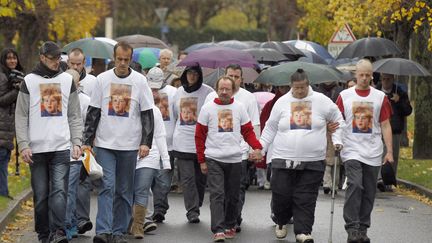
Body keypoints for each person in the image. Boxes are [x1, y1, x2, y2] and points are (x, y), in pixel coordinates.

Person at [260, 69, 344, 242]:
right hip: (283, 159)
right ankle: (281, 221)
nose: (299, 91)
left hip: (312, 160)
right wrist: (260, 148)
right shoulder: (282, 102)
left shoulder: (322, 101)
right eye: (296, 88)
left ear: (308, 85)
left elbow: (338, 120)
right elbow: (270, 128)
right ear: (291, 86)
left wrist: (337, 140)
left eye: (302, 87)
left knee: (306, 197)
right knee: (281, 195)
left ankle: (303, 232)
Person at [82, 41, 154, 243]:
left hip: (130, 145)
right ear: (114, 58)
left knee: (124, 190)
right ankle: (103, 231)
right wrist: (87, 140)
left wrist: (145, 142)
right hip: (105, 143)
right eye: (119, 59)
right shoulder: (102, 79)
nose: (122, 63)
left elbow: (147, 113)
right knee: (106, 186)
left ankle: (119, 231)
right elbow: (93, 111)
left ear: (131, 59)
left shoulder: (140, 81)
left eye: (126, 59)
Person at [15, 41, 83, 243]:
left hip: (61, 147)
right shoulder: (28, 81)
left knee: (60, 192)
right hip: (36, 149)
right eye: (53, 58)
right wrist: (24, 144)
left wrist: (77, 141)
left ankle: (59, 232)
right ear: (42, 57)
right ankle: (44, 234)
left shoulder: (66, 80)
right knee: (41, 196)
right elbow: (21, 116)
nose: (56, 62)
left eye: (58, 58)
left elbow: (74, 115)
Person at [195, 76, 262, 242]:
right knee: (217, 194)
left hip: (235, 158)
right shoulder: (207, 108)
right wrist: (202, 160)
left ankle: (230, 224)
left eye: (227, 89)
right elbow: (199, 136)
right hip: (213, 158)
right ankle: (218, 229)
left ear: (233, 90)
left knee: (233, 196)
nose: (224, 92)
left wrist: (257, 147)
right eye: (221, 89)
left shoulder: (239, 107)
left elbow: (247, 131)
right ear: (217, 90)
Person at [336, 59, 393, 243]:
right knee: (355, 184)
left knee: (369, 191)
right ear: (355, 74)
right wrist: (335, 140)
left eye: (368, 75)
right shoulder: (344, 96)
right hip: (351, 149)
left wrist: (389, 151)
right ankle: (352, 227)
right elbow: (336, 122)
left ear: (372, 75)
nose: (365, 78)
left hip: (373, 151)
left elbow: (385, 125)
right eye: (361, 74)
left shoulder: (379, 97)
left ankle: (363, 228)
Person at [172, 65, 213, 223]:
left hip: (202, 142)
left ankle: (197, 203)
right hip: (182, 142)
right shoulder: (178, 92)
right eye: (189, 73)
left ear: (200, 75)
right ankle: (192, 210)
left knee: (200, 179)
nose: (192, 76)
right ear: (185, 74)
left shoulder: (208, 92)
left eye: (196, 73)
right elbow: (176, 115)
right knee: (188, 179)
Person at [130, 90, 171, 239]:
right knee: (126, 190)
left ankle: (139, 226)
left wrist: (165, 160)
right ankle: (129, 220)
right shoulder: (126, 108)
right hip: (127, 154)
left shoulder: (154, 111)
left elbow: (160, 135)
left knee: (142, 189)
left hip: (150, 155)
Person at [146, 67, 179, 225]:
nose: (154, 90)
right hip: (149, 143)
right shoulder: (143, 91)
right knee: (148, 179)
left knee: (163, 181)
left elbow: (179, 114)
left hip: (168, 144)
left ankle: (159, 209)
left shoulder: (173, 92)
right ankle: (153, 210)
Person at [63, 68, 93, 239]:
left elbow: (89, 127)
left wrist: (86, 146)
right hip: (59, 149)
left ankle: (67, 225)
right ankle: (72, 222)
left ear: (78, 83)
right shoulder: (58, 99)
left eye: (71, 82)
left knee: (70, 189)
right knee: (64, 189)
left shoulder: (85, 101)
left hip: (76, 151)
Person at [376, 73, 412, 191]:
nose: (386, 82)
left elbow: (408, 111)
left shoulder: (400, 92)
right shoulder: (376, 91)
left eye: (389, 79)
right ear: (381, 79)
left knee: (393, 156)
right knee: (379, 154)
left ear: (393, 79)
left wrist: (399, 100)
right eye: (384, 79)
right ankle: (379, 179)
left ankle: (389, 181)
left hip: (395, 129)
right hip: (379, 129)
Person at [0, 48, 24, 200]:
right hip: (2, 127)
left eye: (14, 58)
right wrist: (16, 90)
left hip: (8, 128)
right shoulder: (2, 77)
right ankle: (3, 193)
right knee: (2, 159)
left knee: (4, 159)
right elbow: (1, 100)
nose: (12, 61)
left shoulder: (14, 76)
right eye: (8, 58)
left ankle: (3, 192)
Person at [314, 81, 344, 194]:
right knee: (326, 161)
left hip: (336, 126)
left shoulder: (339, 92)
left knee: (336, 162)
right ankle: (327, 183)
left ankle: (335, 185)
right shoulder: (318, 92)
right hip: (324, 129)